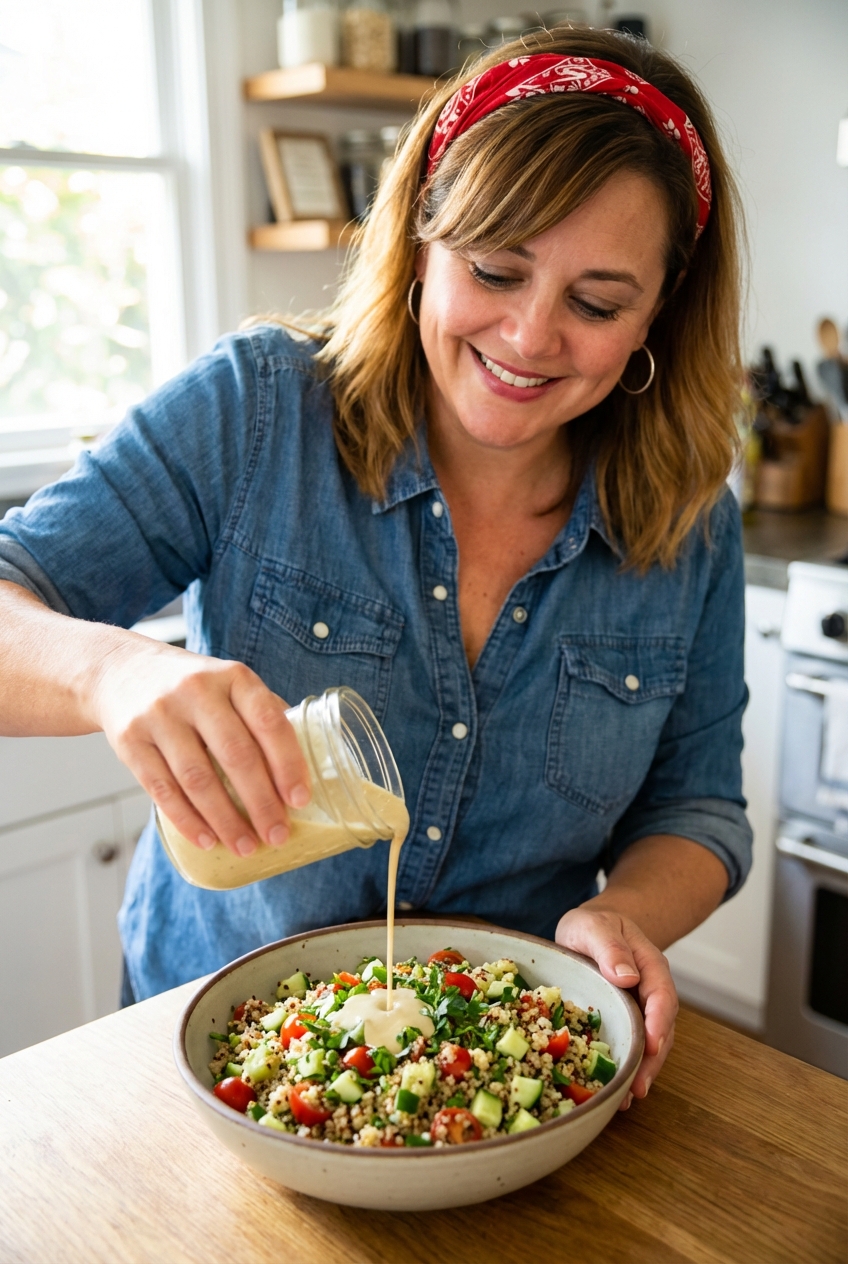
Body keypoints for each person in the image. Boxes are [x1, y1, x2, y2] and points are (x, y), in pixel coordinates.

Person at [0, 27, 750, 1112]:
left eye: (595, 302)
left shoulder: (689, 524)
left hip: (490, 1073)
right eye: (494, 269)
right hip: (211, 1054)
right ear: (418, 241)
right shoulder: (257, 411)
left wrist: (625, 908)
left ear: (658, 312)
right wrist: (113, 674)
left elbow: (698, 806)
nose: (530, 335)